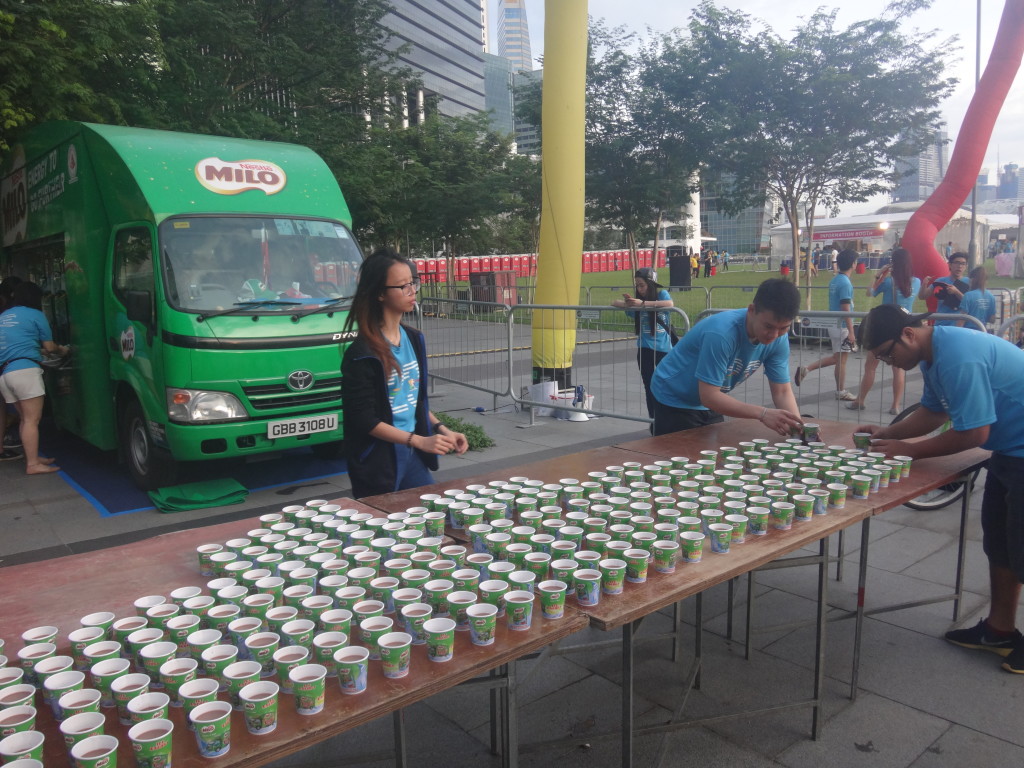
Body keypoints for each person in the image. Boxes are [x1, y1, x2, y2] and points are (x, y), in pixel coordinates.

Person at [855, 304, 1024, 674]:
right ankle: (999, 631)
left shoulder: (958, 357)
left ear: (908, 334)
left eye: (887, 354)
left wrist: (910, 452)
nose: (888, 363)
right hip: (1011, 449)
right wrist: (889, 433)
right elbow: (935, 412)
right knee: (1000, 541)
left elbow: (975, 433)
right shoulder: (933, 355)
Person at [340, 248, 468, 498]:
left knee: (427, 519)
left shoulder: (414, 338)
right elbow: (364, 420)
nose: (412, 292)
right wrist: (419, 440)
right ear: (379, 293)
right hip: (379, 458)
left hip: (412, 454)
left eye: (413, 283)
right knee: (383, 530)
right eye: (402, 286)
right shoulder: (362, 353)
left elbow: (415, 397)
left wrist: (442, 428)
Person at [650, 278, 803, 436]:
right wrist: (763, 413)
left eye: (784, 328)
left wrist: (797, 428)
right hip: (674, 395)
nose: (774, 335)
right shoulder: (721, 334)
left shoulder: (779, 339)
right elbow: (709, 396)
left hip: (710, 398)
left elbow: (782, 392)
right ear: (752, 310)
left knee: (715, 453)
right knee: (684, 455)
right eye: (768, 326)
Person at [0, 281, 69, 474]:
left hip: (6, 374)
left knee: (24, 419)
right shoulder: (35, 315)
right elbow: (50, 347)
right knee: (32, 420)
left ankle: (33, 457)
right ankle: (32, 464)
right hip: (25, 372)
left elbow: (15, 344)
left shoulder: (4, 316)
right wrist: (62, 350)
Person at [846, 248, 920, 414]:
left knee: (871, 366)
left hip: (885, 326)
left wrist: (878, 275)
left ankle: (860, 400)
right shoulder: (916, 282)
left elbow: (869, 293)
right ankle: (895, 405)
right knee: (898, 368)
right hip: (905, 326)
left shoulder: (888, 282)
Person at [794, 249, 858, 400]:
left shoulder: (835, 280)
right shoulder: (845, 283)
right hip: (841, 325)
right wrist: (851, 331)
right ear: (853, 264)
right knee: (841, 360)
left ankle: (808, 370)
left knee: (838, 358)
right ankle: (840, 391)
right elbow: (845, 308)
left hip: (834, 324)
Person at [611, 268, 674, 420]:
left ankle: (669, 419)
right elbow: (614, 302)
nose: (639, 289)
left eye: (642, 285)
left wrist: (643, 303)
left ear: (650, 284)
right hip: (645, 350)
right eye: (637, 285)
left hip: (663, 350)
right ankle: (654, 419)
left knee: (666, 386)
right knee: (649, 386)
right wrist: (629, 304)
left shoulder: (661, 295)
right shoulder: (637, 303)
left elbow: (670, 304)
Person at [918, 252, 969, 324]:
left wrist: (956, 292)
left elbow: (970, 303)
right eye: (957, 263)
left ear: (966, 266)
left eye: (963, 264)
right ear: (950, 265)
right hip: (941, 323)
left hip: (959, 325)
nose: (959, 266)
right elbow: (922, 296)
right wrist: (924, 284)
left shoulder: (969, 282)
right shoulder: (940, 281)